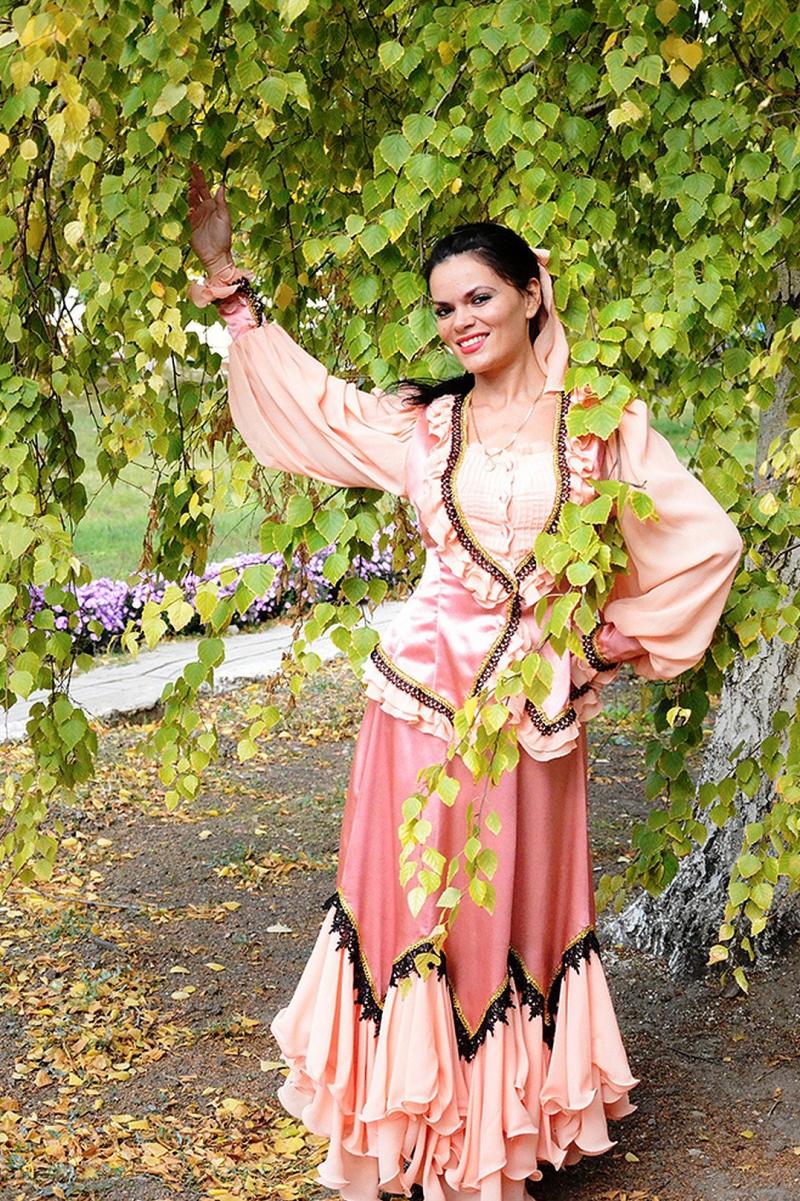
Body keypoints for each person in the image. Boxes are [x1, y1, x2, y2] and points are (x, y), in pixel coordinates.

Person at [186, 162, 744, 1201]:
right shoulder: (424, 425)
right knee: (411, 911)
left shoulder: (601, 426)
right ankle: (412, 1138)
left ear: (531, 293)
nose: (460, 323)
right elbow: (314, 408)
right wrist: (230, 287)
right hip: (417, 713)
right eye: (444, 309)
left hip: (533, 717)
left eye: (478, 297)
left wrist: (599, 648)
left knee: (507, 915)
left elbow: (706, 543)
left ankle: (496, 1143)